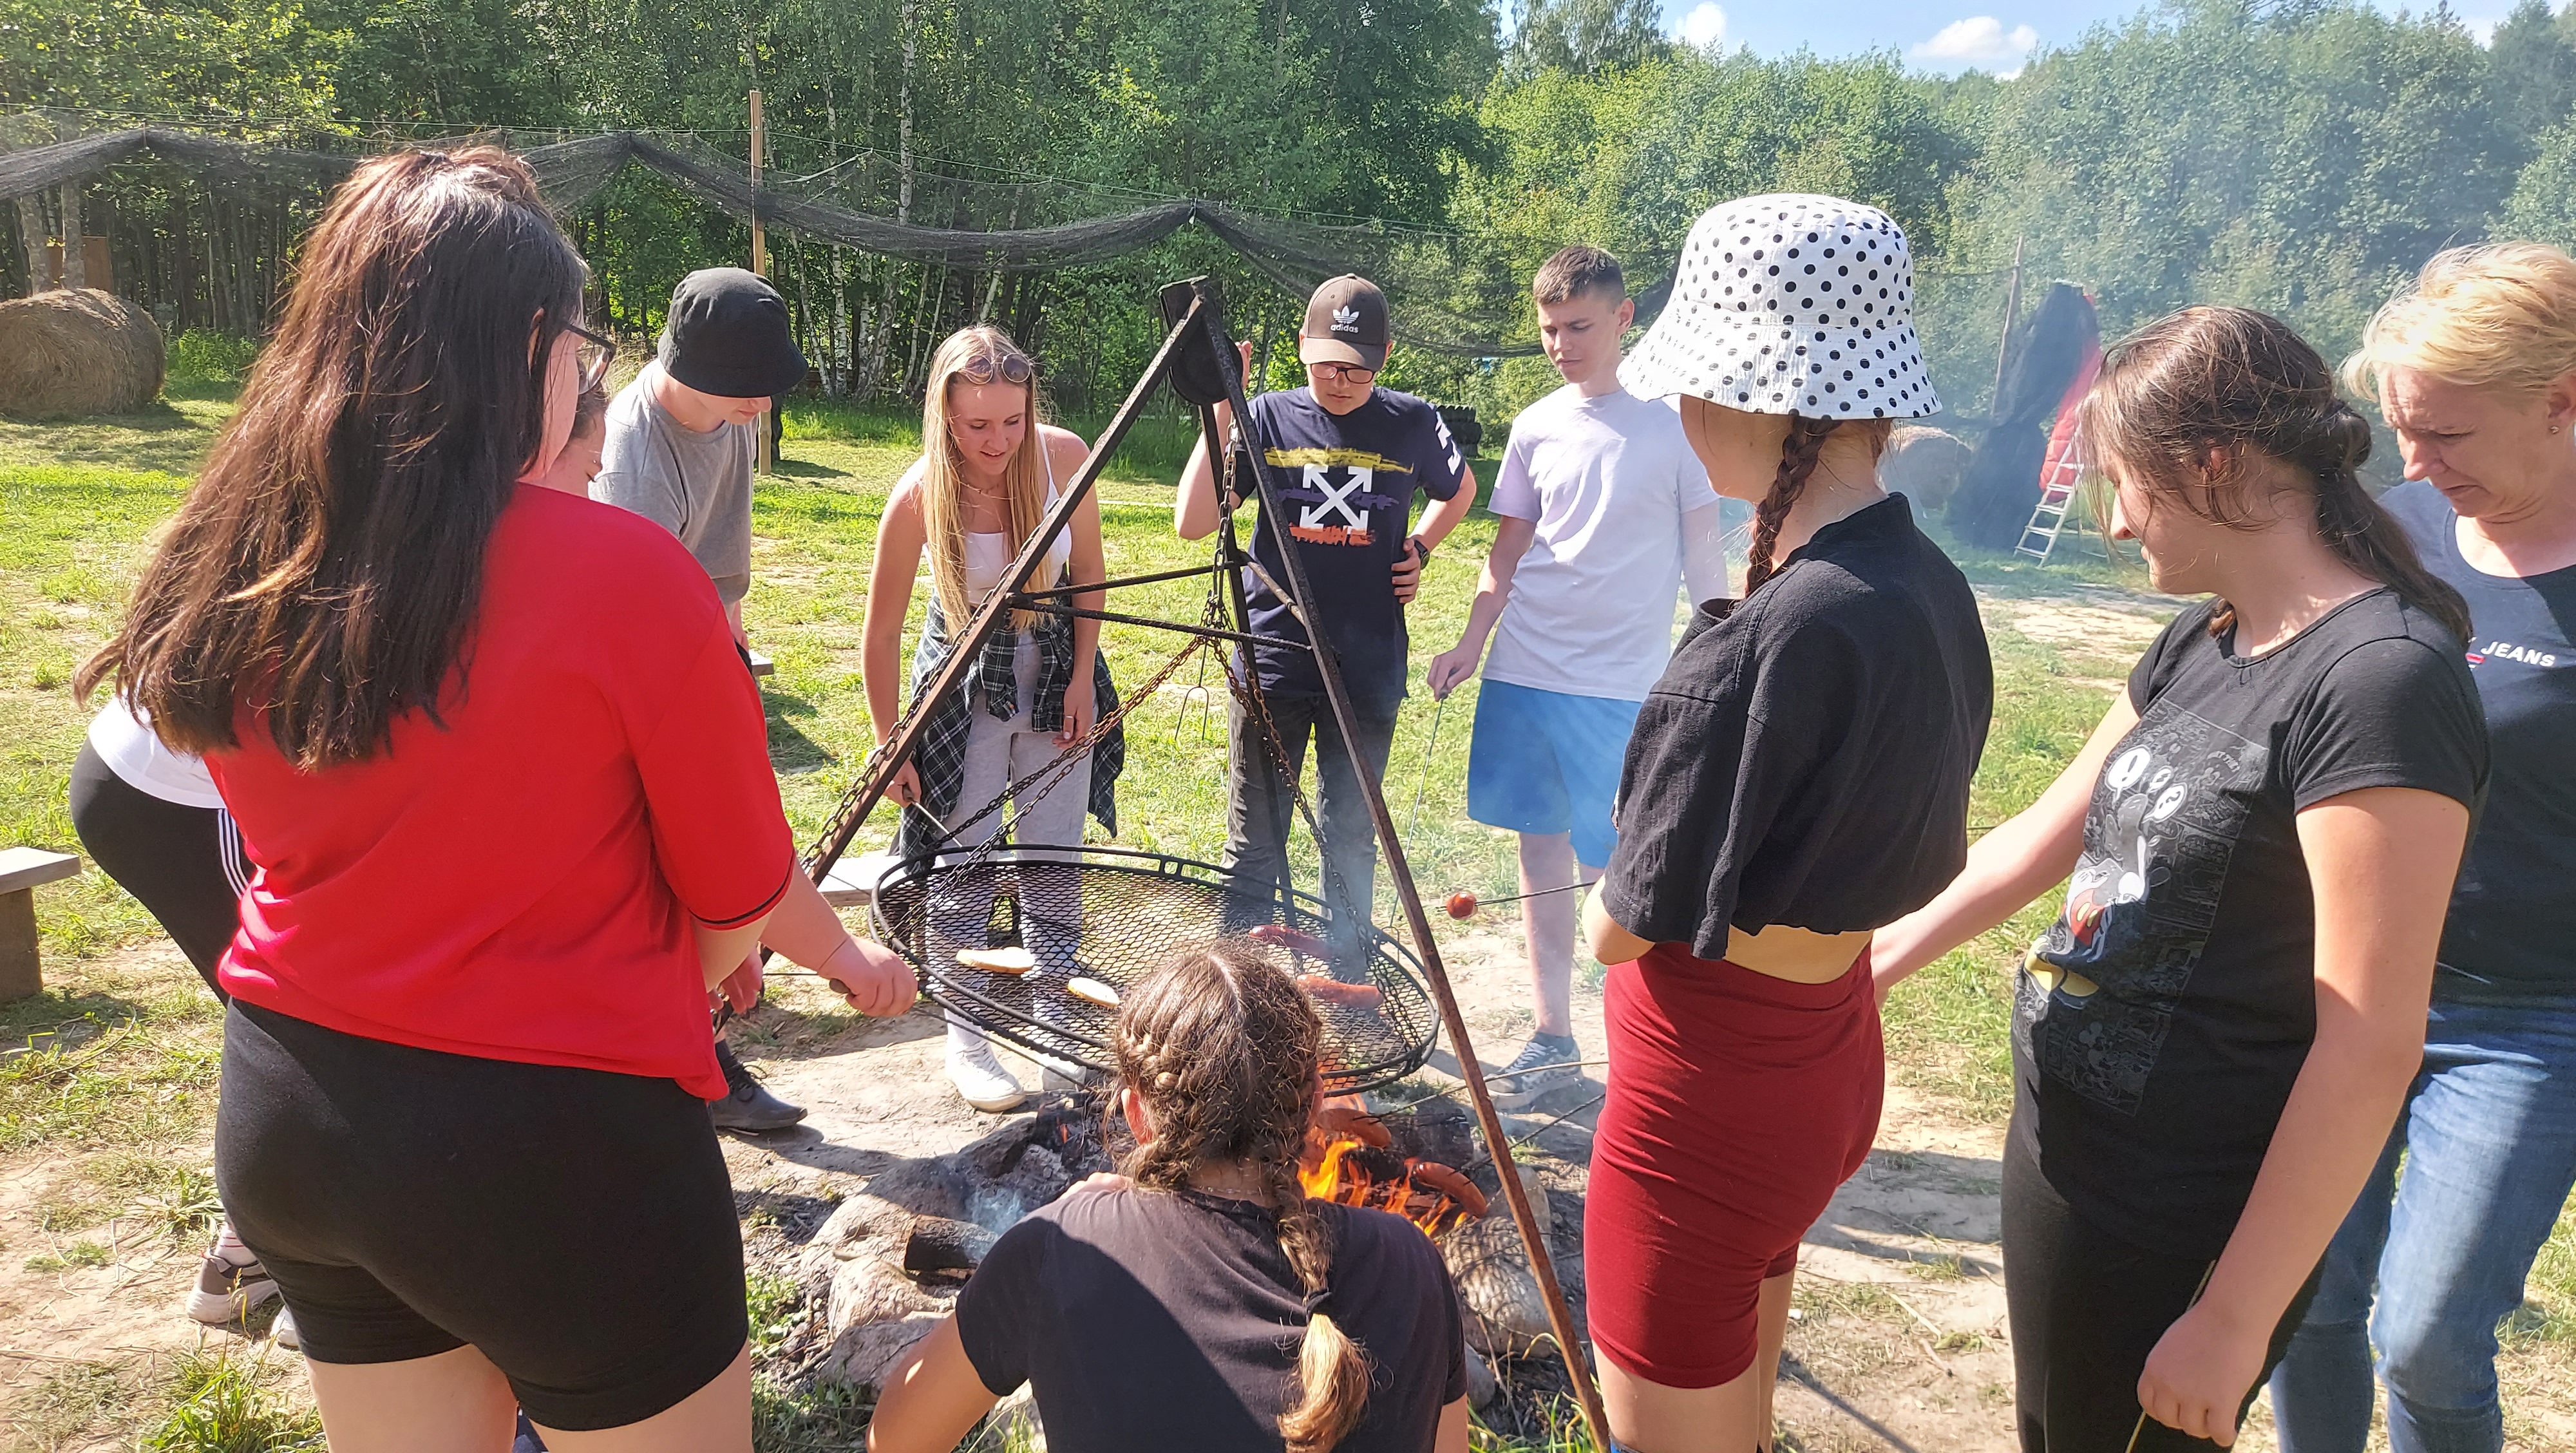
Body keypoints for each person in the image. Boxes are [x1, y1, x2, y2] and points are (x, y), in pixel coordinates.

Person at [74, 147, 913, 1451]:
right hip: (560, 1147)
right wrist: (688, 972)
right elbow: (736, 901)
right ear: (527, 346)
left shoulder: (252, 553)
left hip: (297, 1114)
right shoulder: (628, 577)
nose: (585, 372)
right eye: (580, 347)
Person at [1873, 305, 2492, 1452]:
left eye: (2124, 485)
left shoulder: (2381, 682)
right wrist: (1852, 973)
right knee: (2054, 1430)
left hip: (2186, 1200)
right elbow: (2042, 836)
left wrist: (2236, 1314)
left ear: (2210, 465)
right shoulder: (2209, 636)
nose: (2113, 520)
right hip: (2070, 1145)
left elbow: (2370, 1042)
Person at [1572, 194, 1992, 1453]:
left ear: (1753, 396)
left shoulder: (1768, 638)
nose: (1680, 408)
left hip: (1701, 1118)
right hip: (1824, 1061)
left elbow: (1617, 931)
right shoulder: (1926, 586)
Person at [2264, 243, 2576, 1453]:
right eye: (2402, 428)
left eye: (2446, 434)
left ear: (2561, 401)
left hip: (2530, 1017)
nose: (2414, 464)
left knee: (2431, 1339)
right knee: (2306, 1296)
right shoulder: (2394, 531)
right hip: (2347, 983)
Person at [863, 940, 1471, 1453]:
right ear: (1315, 1103)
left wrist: (1073, 1225)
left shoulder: (1057, 1250)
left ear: (1136, 1114)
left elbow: (895, 1441)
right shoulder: (1412, 1258)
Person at [1423, 244, 1727, 1108]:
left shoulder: (1676, 430)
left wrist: (1718, 658)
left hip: (1621, 688)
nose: (1561, 344)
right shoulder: (1535, 426)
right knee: (1540, 852)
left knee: (1617, 868)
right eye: (1550, 328)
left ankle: (1639, 1048)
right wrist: (1471, 642)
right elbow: (1507, 551)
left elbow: (1704, 558)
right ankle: (1553, 1033)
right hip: (1525, 672)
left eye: (1579, 326)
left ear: (1624, 319)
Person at [1175, 275, 1477, 965]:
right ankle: (1237, 983)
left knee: (1350, 834)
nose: (1339, 380)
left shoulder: (1411, 421)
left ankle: (1346, 976)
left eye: (1356, 367)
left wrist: (1421, 546)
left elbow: (1459, 487)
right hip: (1272, 658)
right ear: (1302, 348)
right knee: (1256, 839)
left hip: (1366, 668)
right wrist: (1224, 404)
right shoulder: (1267, 416)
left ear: (1385, 356)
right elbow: (1192, 521)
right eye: (1325, 364)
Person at [860, 325, 1119, 1113]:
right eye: (977, 423)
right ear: (944, 413)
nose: (997, 440)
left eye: (1012, 419)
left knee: (1053, 858)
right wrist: (889, 744)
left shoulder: (1064, 458)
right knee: (962, 863)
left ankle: (1052, 1025)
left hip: (1057, 675)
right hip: (961, 683)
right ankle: (967, 1038)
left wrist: (1082, 676)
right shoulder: (918, 493)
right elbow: (881, 630)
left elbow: (1091, 573)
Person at [591, 267, 815, 1132]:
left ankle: (708, 1016)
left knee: (730, 846)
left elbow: (718, 577)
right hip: (638, 676)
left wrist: (736, 673)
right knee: (667, 866)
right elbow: (635, 624)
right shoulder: (633, 456)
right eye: (745, 387)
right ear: (689, 369)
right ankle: (688, 1061)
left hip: (697, 645)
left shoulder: (730, 423)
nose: (761, 404)